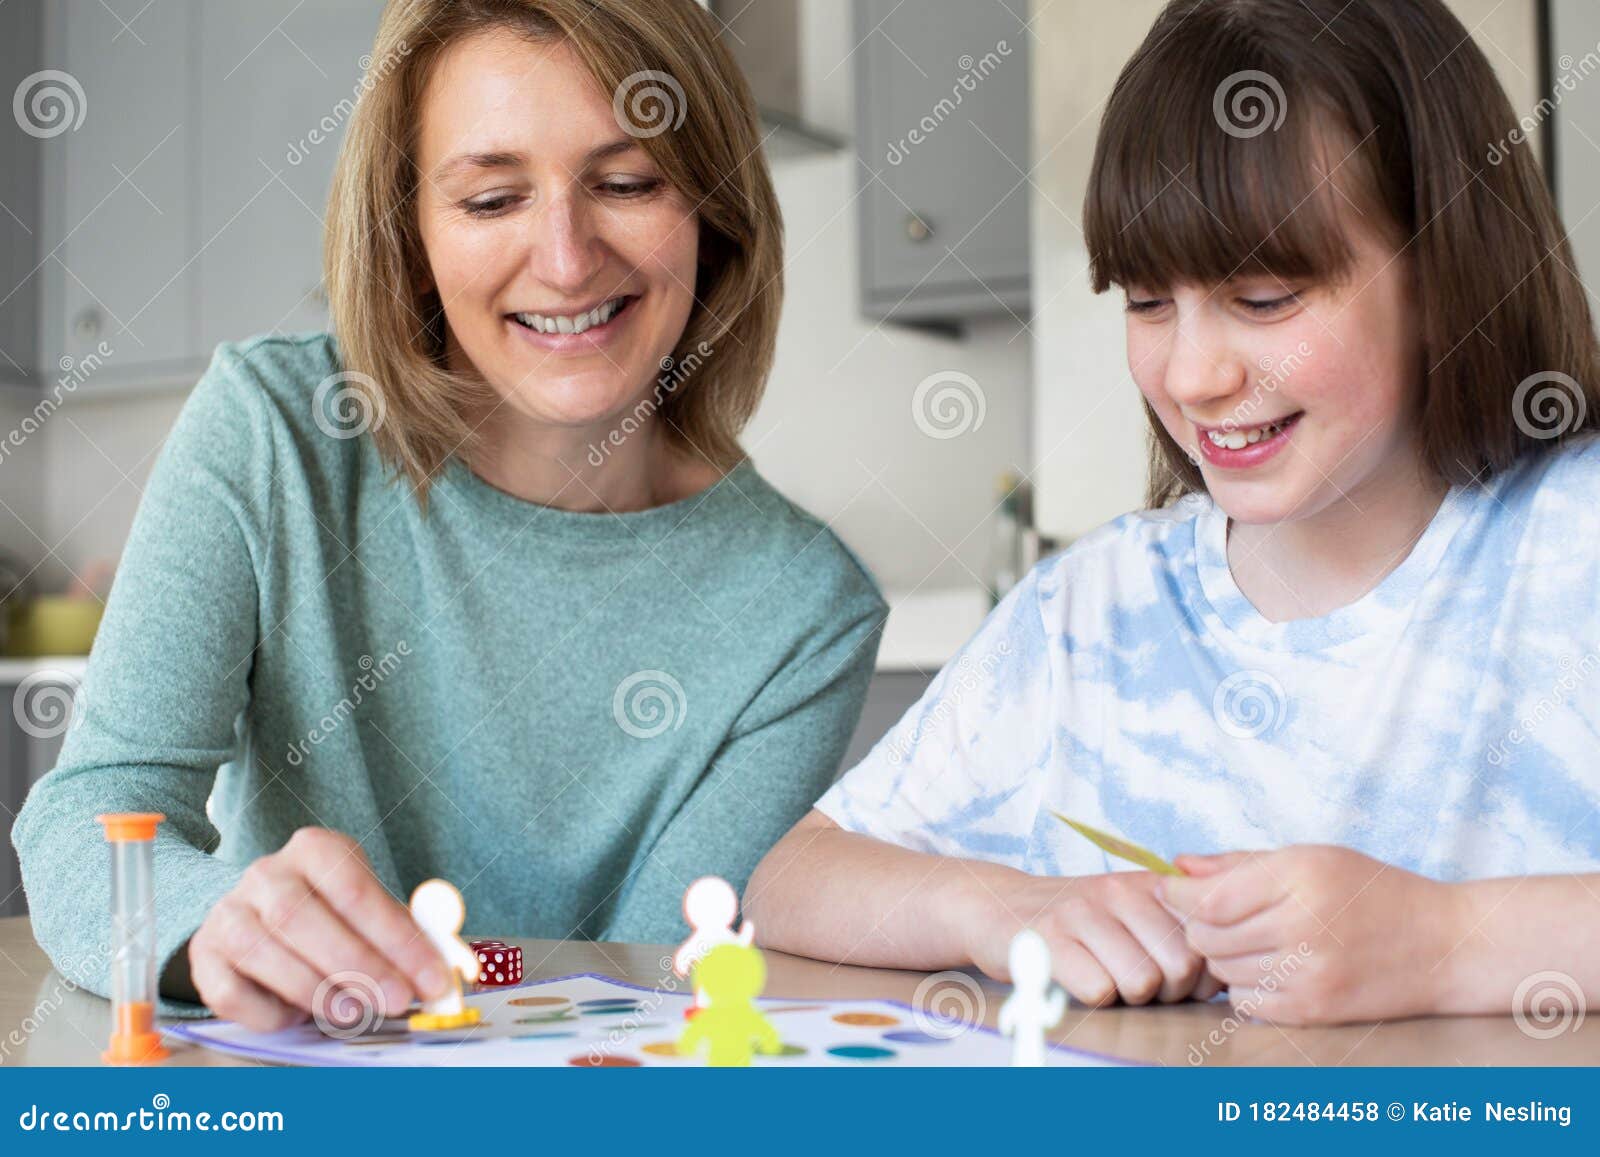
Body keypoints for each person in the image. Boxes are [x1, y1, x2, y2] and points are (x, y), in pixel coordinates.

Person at [13, 0, 884, 1032]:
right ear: (410, 231)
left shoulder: (805, 610)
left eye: (627, 181)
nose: (564, 259)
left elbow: (642, 973)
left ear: (713, 209)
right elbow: (87, 816)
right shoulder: (274, 431)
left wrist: (459, 970)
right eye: (489, 198)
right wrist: (213, 926)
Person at [746, 0, 1600, 1026]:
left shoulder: (1570, 545)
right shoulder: (1091, 605)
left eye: (1268, 297)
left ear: (1442, 268)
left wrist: (1447, 945)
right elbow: (788, 880)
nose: (1191, 374)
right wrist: (1000, 904)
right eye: (1149, 302)